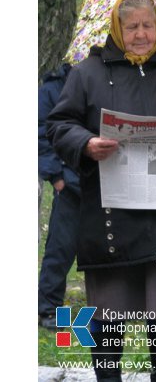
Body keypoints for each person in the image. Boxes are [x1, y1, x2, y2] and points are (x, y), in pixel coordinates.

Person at [47, 0, 156, 382]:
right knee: (107, 307)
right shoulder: (88, 73)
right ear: (116, 29)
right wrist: (84, 143)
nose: (141, 34)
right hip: (110, 211)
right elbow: (58, 125)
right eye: (131, 26)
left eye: (148, 26)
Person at [38, 63, 80, 329]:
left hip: (107, 182)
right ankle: (49, 309)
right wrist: (56, 176)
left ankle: (118, 305)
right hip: (70, 183)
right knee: (60, 248)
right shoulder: (52, 88)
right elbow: (39, 132)